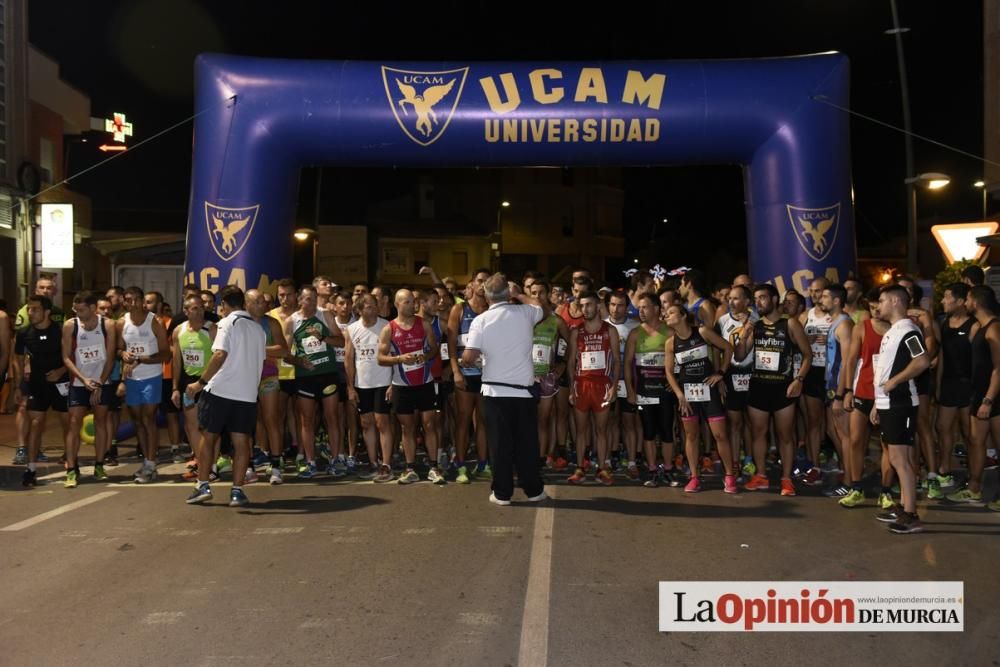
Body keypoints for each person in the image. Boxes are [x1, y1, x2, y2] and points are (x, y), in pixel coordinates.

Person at [460, 273, 547, 505]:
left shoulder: (481, 320)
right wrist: (519, 294)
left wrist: (466, 361)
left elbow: (469, 356)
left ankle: (502, 493)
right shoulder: (526, 313)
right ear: (508, 293)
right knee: (527, 444)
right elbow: (539, 305)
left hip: (496, 394)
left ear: (487, 296)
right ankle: (534, 490)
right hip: (523, 393)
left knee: (500, 446)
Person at [185, 286, 266, 507]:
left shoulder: (227, 323)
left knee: (208, 437)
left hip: (221, 391)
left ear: (224, 304)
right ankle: (237, 491)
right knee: (241, 442)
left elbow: (220, 354)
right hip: (247, 394)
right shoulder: (258, 329)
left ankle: (202, 485)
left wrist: (199, 383)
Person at [734, 283, 812, 496]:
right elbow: (740, 356)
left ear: (775, 300)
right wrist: (743, 334)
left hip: (783, 388)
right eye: (756, 298)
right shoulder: (755, 326)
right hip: (759, 386)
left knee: (785, 435)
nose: (758, 302)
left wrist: (799, 380)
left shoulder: (791, 324)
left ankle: (786, 479)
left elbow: (808, 355)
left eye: (762, 298)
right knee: (759, 433)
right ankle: (761, 476)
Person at [871, 285, 930, 534]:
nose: (878, 306)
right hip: (888, 403)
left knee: (900, 460)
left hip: (901, 402)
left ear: (896, 301)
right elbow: (885, 368)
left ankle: (911, 514)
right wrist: (877, 402)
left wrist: (895, 382)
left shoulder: (908, 330)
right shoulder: (894, 331)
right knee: (899, 458)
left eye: (882, 301)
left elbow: (923, 360)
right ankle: (905, 506)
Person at [663, 304, 737, 493]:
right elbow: (669, 372)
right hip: (688, 393)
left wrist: (721, 373)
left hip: (708, 389)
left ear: (682, 316)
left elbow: (728, 348)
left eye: (671, 312)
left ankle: (729, 476)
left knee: (720, 434)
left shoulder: (702, 332)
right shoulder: (671, 343)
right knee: (691, 435)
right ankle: (694, 477)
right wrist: (680, 395)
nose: (666, 315)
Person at [377, 289, 444, 484]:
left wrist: (426, 356)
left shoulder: (423, 324)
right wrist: (399, 358)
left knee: (430, 424)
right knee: (407, 428)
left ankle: (434, 467)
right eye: (406, 302)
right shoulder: (389, 328)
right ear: (397, 305)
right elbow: (380, 358)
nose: (411, 305)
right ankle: (410, 468)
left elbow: (434, 348)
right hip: (402, 385)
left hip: (425, 382)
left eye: (412, 301)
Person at [946, 286, 1000, 509]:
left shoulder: (994, 328)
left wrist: (988, 400)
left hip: (994, 396)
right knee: (976, 442)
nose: (965, 302)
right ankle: (974, 488)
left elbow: (999, 369)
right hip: (978, 393)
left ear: (976, 302)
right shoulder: (978, 326)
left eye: (967, 298)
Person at [284, 285, 345, 478]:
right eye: (307, 299)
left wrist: (323, 337)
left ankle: (335, 460)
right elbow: (286, 354)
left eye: (313, 298)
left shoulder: (325, 315)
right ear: (299, 300)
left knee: (332, 417)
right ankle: (310, 462)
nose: (311, 303)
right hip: (305, 377)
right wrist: (299, 360)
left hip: (327, 373)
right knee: (307, 420)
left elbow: (341, 341)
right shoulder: (291, 321)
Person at [838, 292, 891, 508]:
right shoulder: (862, 327)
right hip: (863, 391)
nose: (876, 309)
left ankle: (886, 491)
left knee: (888, 445)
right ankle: (856, 487)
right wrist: (848, 390)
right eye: (872, 305)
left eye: (879, 304)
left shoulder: (897, 329)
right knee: (856, 440)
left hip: (887, 393)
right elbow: (850, 361)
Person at [61, 291, 117, 487]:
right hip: (79, 382)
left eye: (82, 309)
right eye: (76, 309)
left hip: (102, 382)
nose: (78, 312)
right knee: (74, 422)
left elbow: (110, 357)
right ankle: (71, 469)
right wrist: (83, 379)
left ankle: (99, 464)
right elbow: (66, 357)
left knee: (101, 420)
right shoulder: (71, 325)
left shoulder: (107, 325)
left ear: (93, 308)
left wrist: (99, 383)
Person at [13, 295, 69, 487]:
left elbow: (72, 356)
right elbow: (18, 358)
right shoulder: (23, 332)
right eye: (29, 309)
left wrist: (60, 371)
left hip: (62, 382)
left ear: (46, 312)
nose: (31, 312)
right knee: (36, 423)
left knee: (68, 423)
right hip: (37, 384)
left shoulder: (61, 331)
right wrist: (19, 384)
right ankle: (30, 469)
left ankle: (71, 464)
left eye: (35, 309)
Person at [623, 292, 678, 487]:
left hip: (665, 392)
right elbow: (627, 364)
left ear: (656, 309)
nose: (641, 311)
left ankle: (669, 469)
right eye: (639, 308)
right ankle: (653, 470)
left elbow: (677, 363)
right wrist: (630, 391)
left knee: (667, 431)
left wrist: (676, 387)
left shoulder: (670, 332)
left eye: (645, 307)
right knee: (648, 431)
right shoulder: (635, 334)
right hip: (644, 392)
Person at [117, 286, 170, 483]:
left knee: (149, 418)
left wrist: (142, 359)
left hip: (152, 376)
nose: (130, 303)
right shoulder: (121, 322)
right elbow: (118, 348)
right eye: (126, 300)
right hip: (132, 379)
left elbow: (166, 353)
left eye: (133, 300)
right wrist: (122, 354)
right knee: (138, 420)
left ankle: (151, 463)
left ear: (140, 301)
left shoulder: (154, 322)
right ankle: (147, 461)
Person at [566, 291, 620, 485]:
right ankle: (580, 467)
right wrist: (572, 388)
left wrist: (614, 387)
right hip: (582, 385)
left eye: (589, 305)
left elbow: (617, 361)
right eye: (582, 306)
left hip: (602, 385)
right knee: (581, 430)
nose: (585, 309)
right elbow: (571, 362)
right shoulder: (576, 332)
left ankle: (602, 469)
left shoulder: (610, 330)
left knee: (601, 430)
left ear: (598, 306)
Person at [448, 268, 492, 482]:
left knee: (483, 420)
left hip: (487, 375)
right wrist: (456, 371)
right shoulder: (459, 309)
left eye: (487, 282)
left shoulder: (493, 310)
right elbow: (450, 342)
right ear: (472, 284)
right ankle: (461, 465)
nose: (483, 285)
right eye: (480, 281)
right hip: (465, 374)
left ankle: (483, 464)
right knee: (463, 420)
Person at [345, 294, 395, 482]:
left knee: (382, 422)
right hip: (362, 384)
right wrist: (350, 387)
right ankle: (373, 462)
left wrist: (393, 383)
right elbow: (349, 359)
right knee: (366, 423)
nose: (372, 308)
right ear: (358, 309)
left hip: (383, 381)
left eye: (374, 305)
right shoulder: (352, 329)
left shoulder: (386, 326)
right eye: (367, 306)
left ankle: (386, 464)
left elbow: (396, 354)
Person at [246, 289, 291, 484]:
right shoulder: (239, 323)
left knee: (272, 419)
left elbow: (282, 349)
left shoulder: (271, 323)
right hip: (244, 378)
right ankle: (248, 466)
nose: (262, 305)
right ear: (246, 304)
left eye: (263, 302)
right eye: (256, 302)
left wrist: (258, 348)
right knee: (246, 423)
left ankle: (276, 466)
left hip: (267, 376)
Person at [170, 294, 217, 481]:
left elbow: (219, 357)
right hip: (188, 383)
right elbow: (176, 362)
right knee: (191, 426)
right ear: (186, 311)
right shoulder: (178, 331)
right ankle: (202, 462)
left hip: (208, 382)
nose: (199, 311)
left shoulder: (211, 329)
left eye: (201, 307)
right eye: (194, 308)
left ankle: (211, 466)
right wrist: (175, 387)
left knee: (210, 427)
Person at [934, 283, 974, 491]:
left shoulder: (974, 325)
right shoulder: (944, 323)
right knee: (942, 427)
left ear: (960, 301)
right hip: (949, 384)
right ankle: (944, 469)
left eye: (946, 297)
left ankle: (973, 474)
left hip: (968, 386)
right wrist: (939, 384)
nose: (942, 300)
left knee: (969, 433)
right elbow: (941, 356)